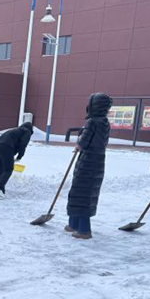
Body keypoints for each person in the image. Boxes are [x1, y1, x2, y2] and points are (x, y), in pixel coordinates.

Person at [66, 92, 113, 239]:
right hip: (98, 160)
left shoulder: (92, 121)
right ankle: (74, 223)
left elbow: (85, 139)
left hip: (88, 161)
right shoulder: (105, 121)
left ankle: (84, 230)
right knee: (83, 192)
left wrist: (79, 145)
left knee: (81, 193)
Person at [0, 121, 33, 198]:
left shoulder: (15, 130)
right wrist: (19, 156)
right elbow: (23, 144)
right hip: (6, 147)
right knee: (8, 169)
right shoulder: (27, 131)